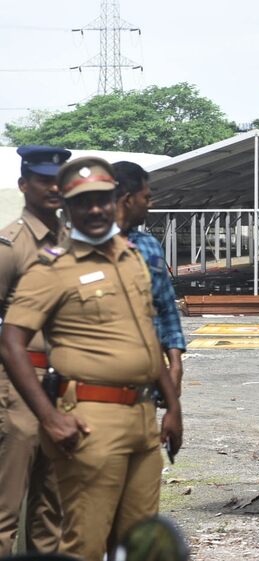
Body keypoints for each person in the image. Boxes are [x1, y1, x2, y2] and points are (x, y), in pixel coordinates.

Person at [0, 156, 183, 561]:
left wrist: (172, 406)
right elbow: (11, 340)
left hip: (142, 418)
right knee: (85, 543)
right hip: (90, 418)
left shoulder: (133, 258)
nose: (96, 209)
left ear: (114, 198)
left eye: (102, 199)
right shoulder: (52, 268)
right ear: (67, 206)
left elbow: (147, 339)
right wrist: (49, 416)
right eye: (84, 203)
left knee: (138, 544)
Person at [0, 146, 70, 555]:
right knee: (5, 509)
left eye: (60, 180)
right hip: (17, 388)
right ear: (25, 185)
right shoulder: (10, 246)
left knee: (52, 508)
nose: (54, 188)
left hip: (64, 387)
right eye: (44, 180)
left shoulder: (75, 243)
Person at [113, 161, 186, 395]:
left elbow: (166, 307)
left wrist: (175, 364)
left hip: (149, 376)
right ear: (128, 199)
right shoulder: (85, 247)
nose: (150, 204)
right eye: (146, 198)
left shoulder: (150, 246)